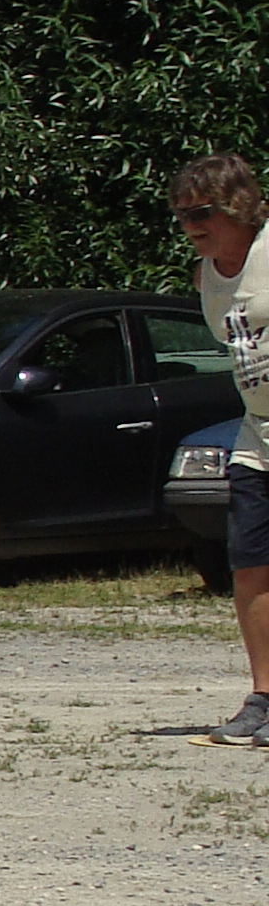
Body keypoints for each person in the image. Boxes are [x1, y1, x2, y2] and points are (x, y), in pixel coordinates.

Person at [171, 153, 269, 746]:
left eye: (203, 212)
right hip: (258, 434)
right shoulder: (206, 275)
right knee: (251, 565)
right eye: (182, 216)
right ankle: (263, 697)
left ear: (237, 206)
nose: (192, 227)